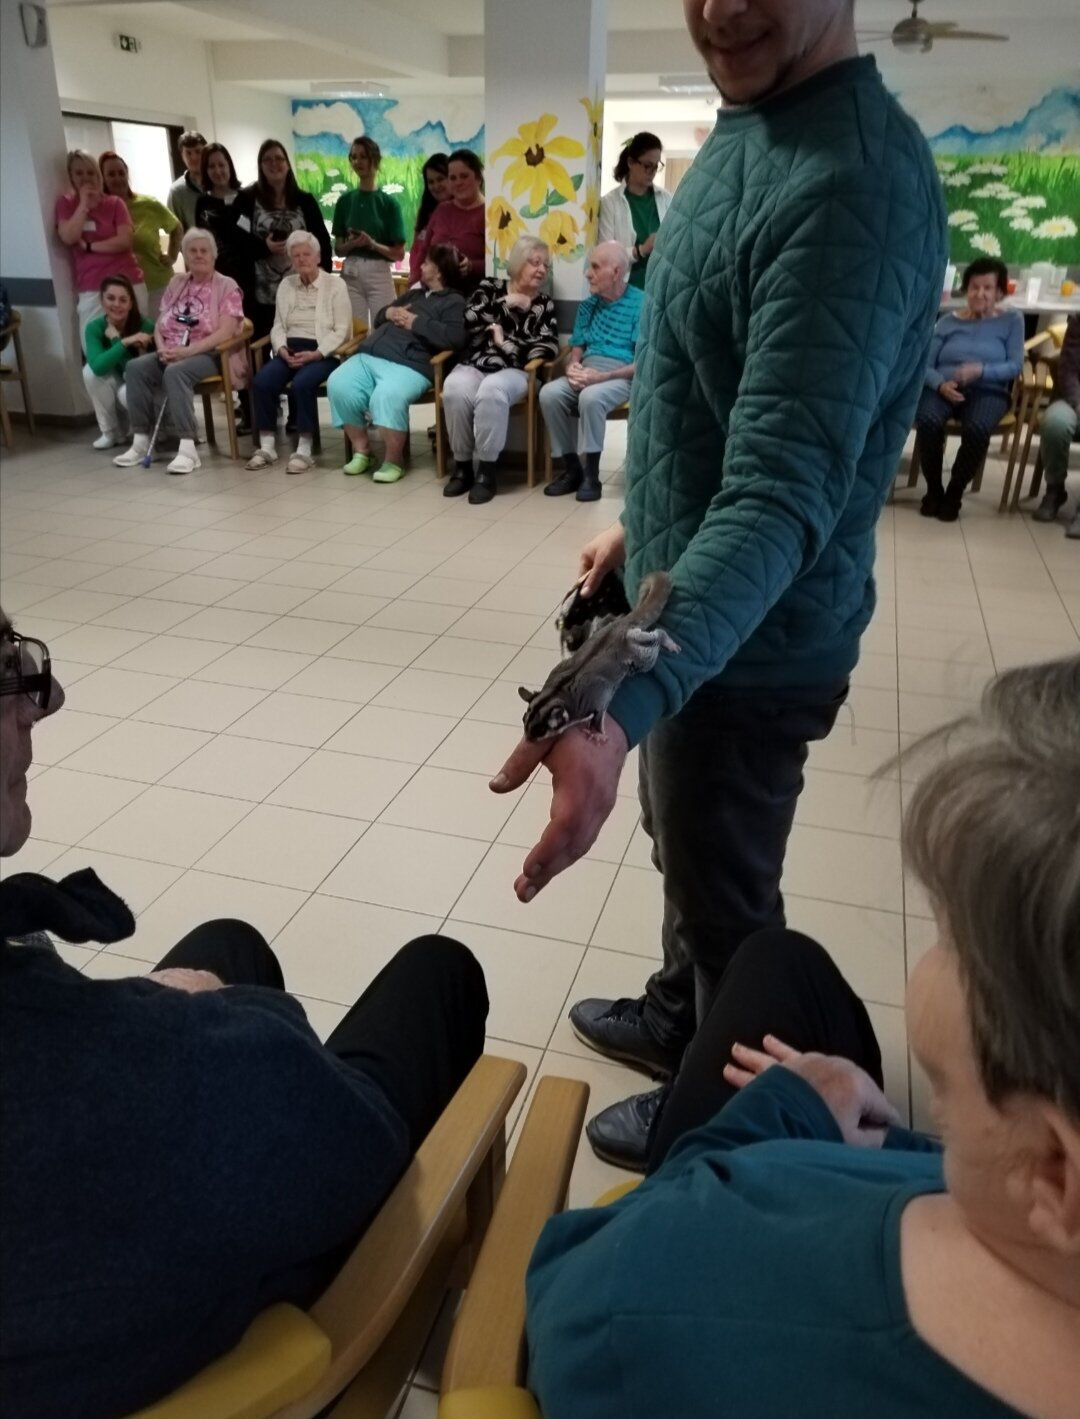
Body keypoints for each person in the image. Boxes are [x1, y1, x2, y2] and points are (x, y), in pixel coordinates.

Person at [489, 0, 948, 1170]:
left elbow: (781, 491)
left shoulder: (850, 184)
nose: (722, 9)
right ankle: (678, 1008)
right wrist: (640, 530)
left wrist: (618, 702)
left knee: (727, 889)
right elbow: (707, 385)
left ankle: (720, 1104)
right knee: (682, 843)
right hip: (688, 603)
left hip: (750, 639)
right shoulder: (752, 127)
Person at [528, 654, 1080, 1419]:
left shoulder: (668, 1296)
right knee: (782, 960)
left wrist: (783, 1108)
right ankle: (671, 1017)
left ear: (1053, 1167)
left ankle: (686, 1063)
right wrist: (904, 1144)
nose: (929, 960)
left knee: (762, 952)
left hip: (666, 1249)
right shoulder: (1031, 1219)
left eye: (954, 940)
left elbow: (568, 1292)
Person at [0, 607, 490, 1419]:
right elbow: (348, 1135)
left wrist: (147, 1016)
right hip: (157, 1335)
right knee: (439, 973)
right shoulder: (124, 1077)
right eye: (8, 671)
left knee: (229, 942)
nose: (45, 700)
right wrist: (199, 1024)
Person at [326, 243, 466, 484]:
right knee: (339, 383)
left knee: (386, 396)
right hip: (372, 353)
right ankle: (362, 450)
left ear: (439, 270)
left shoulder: (454, 301)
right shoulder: (414, 294)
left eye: (426, 263)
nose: (421, 266)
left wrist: (416, 323)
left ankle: (394, 460)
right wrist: (388, 313)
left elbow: (455, 338)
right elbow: (381, 317)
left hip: (410, 363)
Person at [113, 228, 244, 476]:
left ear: (213, 255)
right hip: (172, 350)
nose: (198, 255)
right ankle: (141, 440)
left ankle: (187, 447)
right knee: (135, 368)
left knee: (175, 372)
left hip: (210, 353)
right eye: (192, 251)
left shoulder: (227, 286)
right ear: (185, 254)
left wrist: (187, 352)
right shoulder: (177, 282)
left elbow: (226, 332)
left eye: (204, 251)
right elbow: (160, 324)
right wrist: (162, 348)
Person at [442, 235, 558, 503]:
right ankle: (462, 466)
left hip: (518, 372)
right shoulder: (490, 287)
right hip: (477, 363)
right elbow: (469, 319)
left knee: (491, 389)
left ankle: (486, 471)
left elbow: (546, 348)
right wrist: (507, 301)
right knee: (454, 387)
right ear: (518, 263)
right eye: (535, 263)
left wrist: (503, 343)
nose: (542, 269)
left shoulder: (543, 304)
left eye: (546, 265)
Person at [914, 257, 1024, 521]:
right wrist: (940, 384)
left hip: (988, 390)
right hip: (943, 387)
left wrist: (981, 371)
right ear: (966, 289)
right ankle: (934, 490)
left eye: (988, 288)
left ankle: (954, 492)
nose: (980, 293)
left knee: (977, 428)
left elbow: (1015, 365)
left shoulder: (1012, 320)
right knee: (927, 420)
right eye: (974, 287)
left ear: (999, 293)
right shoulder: (947, 322)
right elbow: (924, 364)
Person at [538, 242, 642, 502]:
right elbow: (577, 347)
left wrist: (602, 377)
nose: (588, 274)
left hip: (621, 376)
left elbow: (643, 361)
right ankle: (572, 468)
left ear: (616, 272)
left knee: (591, 396)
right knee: (549, 393)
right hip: (587, 372)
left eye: (595, 267)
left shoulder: (641, 304)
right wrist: (573, 367)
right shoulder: (588, 306)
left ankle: (592, 475)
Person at [245, 231, 351, 475]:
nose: (302, 259)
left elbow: (342, 331)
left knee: (302, 383)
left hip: (323, 352)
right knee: (262, 382)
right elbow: (278, 325)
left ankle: (304, 448)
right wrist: (281, 348)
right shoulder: (286, 284)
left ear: (318, 257)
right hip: (290, 349)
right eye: (296, 256)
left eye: (307, 254)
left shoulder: (335, 285)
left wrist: (317, 353)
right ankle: (267, 446)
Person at [233, 140, 333, 341]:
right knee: (261, 345)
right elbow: (237, 241)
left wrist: (324, 274)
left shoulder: (305, 201)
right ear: (260, 166)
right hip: (260, 295)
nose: (274, 164)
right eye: (267, 159)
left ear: (287, 164)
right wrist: (265, 247)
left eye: (279, 158)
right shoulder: (245, 200)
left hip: (302, 293)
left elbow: (322, 240)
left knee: (301, 344)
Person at [55, 150, 147, 339]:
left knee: (137, 341)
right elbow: (69, 237)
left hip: (127, 280)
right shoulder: (66, 204)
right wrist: (83, 205)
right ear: (71, 176)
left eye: (90, 172)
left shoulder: (114, 203)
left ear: (98, 175)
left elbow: (125, 241)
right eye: (79, 173)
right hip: (92, 285)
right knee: (93, 344)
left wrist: (89, 247)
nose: (85, 178)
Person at [99, 150, 181, 320]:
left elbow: (176, 227)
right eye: (111, 174)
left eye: (121, 173)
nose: (118, 178)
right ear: (102, 178)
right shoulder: (100, 210)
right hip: (121, 290)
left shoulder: (148, 204)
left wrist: (172, 255)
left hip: (157, 285)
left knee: (164, 332)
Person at [332, 136, 406, 325]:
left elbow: (398, 254)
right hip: (350, 271)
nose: (358, 162)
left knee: (384, 327)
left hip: (379, 272)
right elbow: (338, 249)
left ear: (375, 160)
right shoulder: (345, 201)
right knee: (354, 328)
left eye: (363, 156)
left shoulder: (389, 204)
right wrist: (352, 244)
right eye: (354, 157)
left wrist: (372, 244)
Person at [81, 274, 154, 449]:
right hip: (118, 384)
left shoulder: (145, 326)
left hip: (141, 387)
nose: (116, 304)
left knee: (127, 390)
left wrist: (115, 341)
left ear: (131, 303)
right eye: (111, 298)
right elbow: (98, 367)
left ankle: (148, 430)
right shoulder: (94, 327)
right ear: (102, 300)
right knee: (88, 372)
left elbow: (135, 370)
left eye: (123, 300)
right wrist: (123, 342)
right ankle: (111, 432)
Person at [597, 132, 672, 291]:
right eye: (647, 165)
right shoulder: (610, 203)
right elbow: (605, 256)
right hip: (624, 289)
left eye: (656, 166)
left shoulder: (666, 199)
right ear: (631, 162)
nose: (652, 172)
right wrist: (640, 250)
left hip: (659, 289)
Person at [411, 150, 485, 293]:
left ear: (478, 177)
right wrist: (415, 282)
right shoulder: (441, 210)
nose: (458, 182)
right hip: (432, 294)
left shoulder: (491, 214)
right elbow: (424, 250)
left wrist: (472, 266)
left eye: (464, 176)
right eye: (452, 178)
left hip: (473, 296)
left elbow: (499, 263)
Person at [1032, 313, 1080, 537]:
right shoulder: (1078, 320)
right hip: (1073, 399)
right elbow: (1068, 369)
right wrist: (1077, 402)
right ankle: (1055, 489)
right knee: (1054, 424)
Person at [194, 142, 244, 287]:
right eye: (211, 166)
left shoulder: (245, 198)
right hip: (216, 278)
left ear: (229, 166)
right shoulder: (202, 202)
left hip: (246, 275)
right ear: (205, 170)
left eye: (221, 165)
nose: (217, 171)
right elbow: (201, 240)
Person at [407, 153, 450, 287]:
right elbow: (417, 248)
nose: (436, 186)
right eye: (431, 182)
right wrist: (414, 277)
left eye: (440, 179)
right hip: (419, 283)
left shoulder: (457, 213)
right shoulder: (426, 211)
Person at [167, 130, 207, 231]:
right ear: (182, 156)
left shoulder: (219, 182)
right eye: (188, 153)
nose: (194, 157)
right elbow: (175, 231)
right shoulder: (176, 192)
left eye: (198, 152)